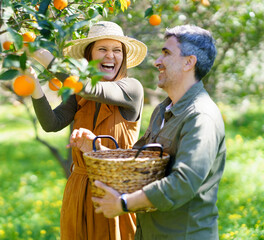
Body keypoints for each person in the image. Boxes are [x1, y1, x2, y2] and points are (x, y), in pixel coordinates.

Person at [69, 24, 226, 239]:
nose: (157, 62)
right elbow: (138, 164)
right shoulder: (162, 110)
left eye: (166, 53)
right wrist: (97, 146)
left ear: (189, 62)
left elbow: (183, 183)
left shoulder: (201, 117)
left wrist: (124, 203)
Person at [29, 21, 147, 239]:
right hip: (79, 188)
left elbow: (90, 88)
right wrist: (34, 88)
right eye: (102, 49)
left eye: (116, 50)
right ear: (89, 57)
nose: (110, 56)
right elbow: (51, 123)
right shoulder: (79, 95)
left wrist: (45, 58)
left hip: (115, 192)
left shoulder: (132, 88)